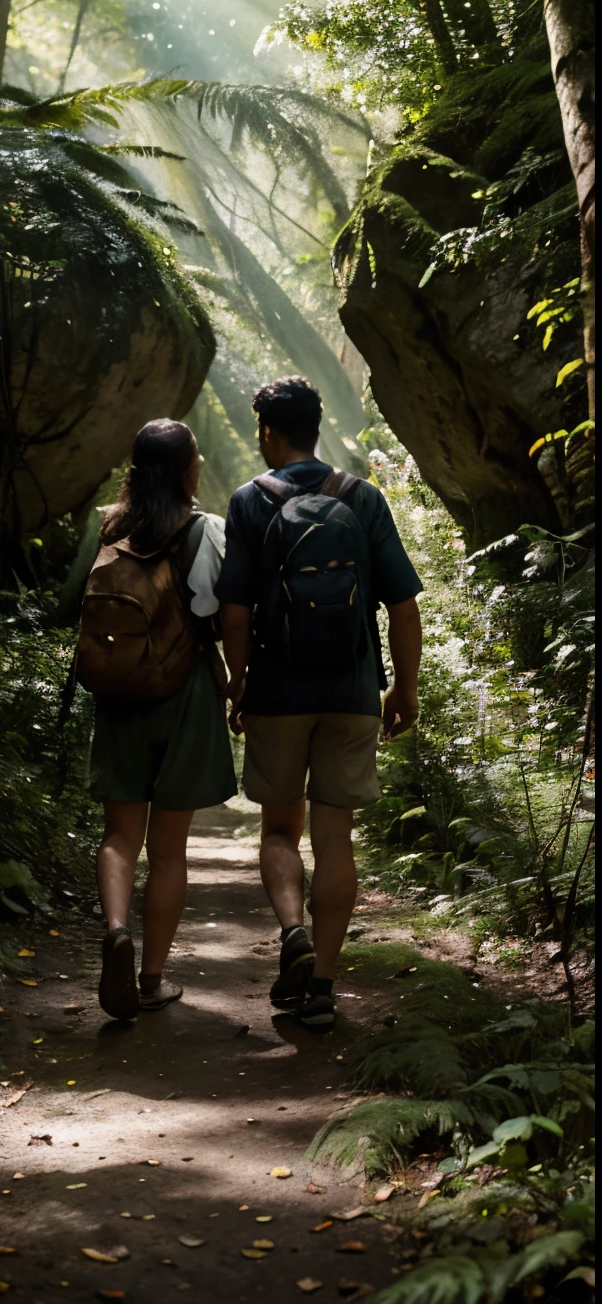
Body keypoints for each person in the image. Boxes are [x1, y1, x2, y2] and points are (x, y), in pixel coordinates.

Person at [218, 376, 422, 1031]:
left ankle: (293, 933)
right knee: (337, 837)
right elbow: (403, 604)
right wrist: (404, 687)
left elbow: (235, 610)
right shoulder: (362, 499)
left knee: (280, 830)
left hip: (278, 692)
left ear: (270, 433)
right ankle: (324, 988)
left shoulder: (250, 502)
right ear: (316, 425)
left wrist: (238, 679)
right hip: (353, 692)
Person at [83, 419, 237, 1021]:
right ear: (185, 469)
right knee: (170, 851)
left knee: (119, 836)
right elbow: (227, 617)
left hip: (118, 694)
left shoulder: (105, 526)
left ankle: (117, 929)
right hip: (186, 695)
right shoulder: (206, 532)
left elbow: (78, 605)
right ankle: (149, 979)